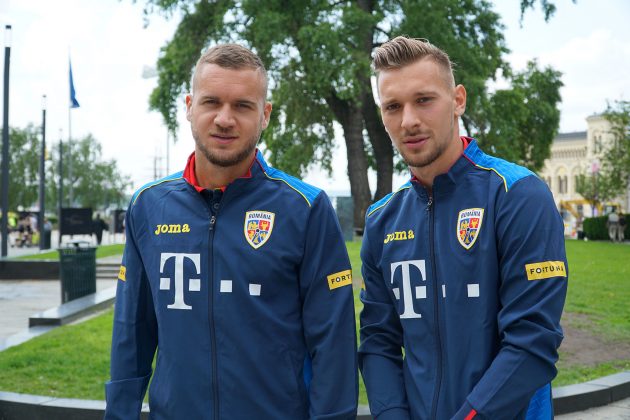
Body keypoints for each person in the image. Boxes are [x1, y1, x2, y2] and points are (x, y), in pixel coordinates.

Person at [105, 44, 357, 419]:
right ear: (189, 106)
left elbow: (334, 344)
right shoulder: (148, 205)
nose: (225, 119)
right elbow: (132, 332)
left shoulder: (306, 208)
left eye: (242, 106)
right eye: (211, 102)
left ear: (265, 114)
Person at [358, 36, 568, 420]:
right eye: (393, 106)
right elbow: (378, 342)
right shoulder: (381, 219)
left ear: (458, 100)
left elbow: (533, 343)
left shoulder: (517, 194)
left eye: (424, 100)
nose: (408, 120)